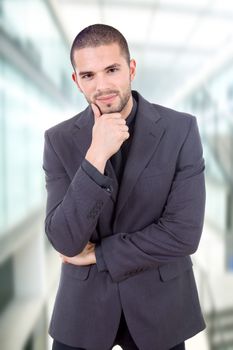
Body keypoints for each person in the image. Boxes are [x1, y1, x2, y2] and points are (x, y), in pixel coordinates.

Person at [42, 24, 206, 350]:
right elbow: (63, 239)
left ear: (131, 69)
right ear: (76, 81)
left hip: (158, 305)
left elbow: (183, 234)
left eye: (112, 70)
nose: (101, 86)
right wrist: (95, 156)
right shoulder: (58, 140)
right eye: (88, 75)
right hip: (83, 310)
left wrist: (99, 255)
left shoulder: (181, 130)